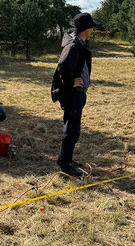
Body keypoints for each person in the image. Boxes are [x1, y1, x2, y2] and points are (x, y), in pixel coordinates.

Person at [50, 12, 96, 178]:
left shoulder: (80, 43)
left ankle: (67, 160)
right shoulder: (74, 45)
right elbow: (62, 66)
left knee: (74, 130)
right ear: (86, 28)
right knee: (71, 130)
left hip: (79, 94)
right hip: (73, 94)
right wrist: (71, 82)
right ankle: (64, 164)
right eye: (91, 26)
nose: (92, 29)